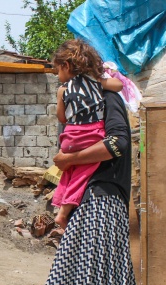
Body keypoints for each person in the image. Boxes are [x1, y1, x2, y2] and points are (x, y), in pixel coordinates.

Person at [4, 90, 159, 285]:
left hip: (100, 207)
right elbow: (61, 175)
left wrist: (70, 160)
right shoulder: (82, 121)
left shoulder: (107, 101)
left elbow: (119, 144)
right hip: (86, 207)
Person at [51, 39, 124, 228]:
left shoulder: (63, 90)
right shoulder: (96, 83)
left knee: (69, 168)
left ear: (66, 65)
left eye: (57, 69)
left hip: (68, 138)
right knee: (83, 169)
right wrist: (100, 80)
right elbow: (118, 86)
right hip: (91, 135)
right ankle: (64, 212)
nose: (57, 74)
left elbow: (61, 118)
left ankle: (59, 203)